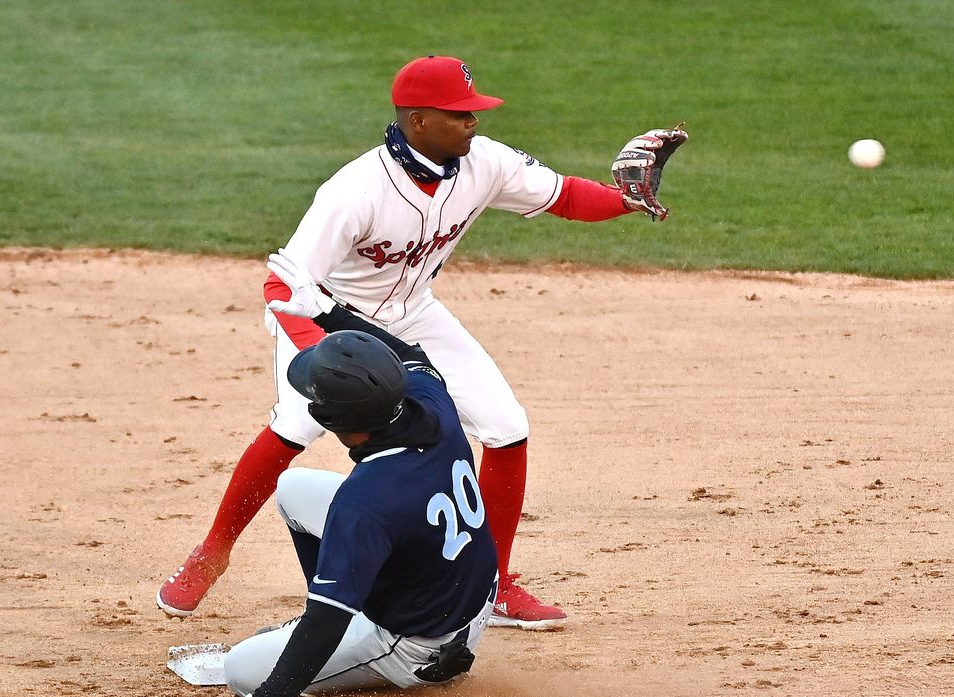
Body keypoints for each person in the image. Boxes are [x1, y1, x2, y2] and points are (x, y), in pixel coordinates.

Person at [157, 54, 687, 629]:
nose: (472, 123)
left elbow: (564, 196)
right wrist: (320, 351)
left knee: (506, 427)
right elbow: (283, 284)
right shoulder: (354, 191)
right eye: (458, 114)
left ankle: (495, 584)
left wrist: (624, 199)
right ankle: (213, 551)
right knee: (297, 425)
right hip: (330, 316)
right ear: (417, 120)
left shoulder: (485, 163)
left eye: (473, 111)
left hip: (415, 316)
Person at [212, 322, 498, 697]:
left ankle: (360, 628)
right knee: (292, 489)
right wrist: (325, 310)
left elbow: (325, 622)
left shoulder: (365, 502)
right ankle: (346, 602)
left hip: (423, 642)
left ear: (331, 419)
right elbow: (410, 351)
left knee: (240, 671)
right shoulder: (428, 397)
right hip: (464, 584)